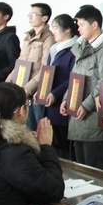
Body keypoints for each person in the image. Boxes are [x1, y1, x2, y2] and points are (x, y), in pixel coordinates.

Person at [62, 5, 103, 170]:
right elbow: (75, 76)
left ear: (95, 25)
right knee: (80, 166)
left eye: (82, 24)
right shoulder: (82, 46)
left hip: (92, 114)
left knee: (94, 167)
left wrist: (86, 105)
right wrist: (66, 99)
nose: (78, 28)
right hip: (77, 111)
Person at [7, 3, 55, 131]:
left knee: (33, 130)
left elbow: (46, 69)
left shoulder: (49, 38)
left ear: (44, 18)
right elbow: (20, 62)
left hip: (34, 93)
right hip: (20, 90)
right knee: (20, 128)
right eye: (29, 14)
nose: (30, 17)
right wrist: (8, 83)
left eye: (33, 14)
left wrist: (27, 89)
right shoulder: (27, 37)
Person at [43, 14, 78, 159]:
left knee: (62, 144)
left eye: (56, 28)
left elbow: (73, 78)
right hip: (49, 101)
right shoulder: (54, 48)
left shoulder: (74, 50)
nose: (53, 32)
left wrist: (55, 93)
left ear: (67, 29)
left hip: (62, 102)